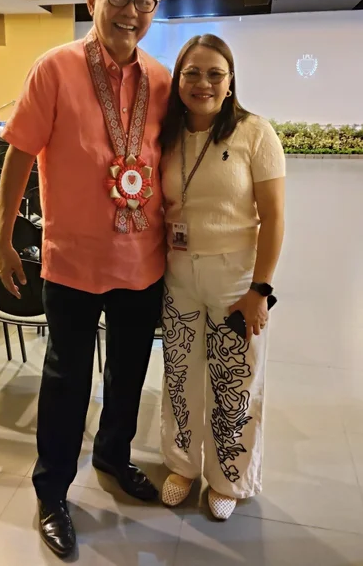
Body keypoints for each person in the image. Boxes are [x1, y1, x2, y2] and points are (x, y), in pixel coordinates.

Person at [0, 0, 171, 559]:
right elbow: (20, 153)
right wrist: (3, 237)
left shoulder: (161, 80)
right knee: (66, 379)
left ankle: (114, 456)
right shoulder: (55, 68)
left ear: (153, 10)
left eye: (143, 1)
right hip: (72, 262)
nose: (130, 11)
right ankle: (52, 492)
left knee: (128, 373)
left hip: (142, 262)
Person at [159, 34, 285, 520]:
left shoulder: (255, 133)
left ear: (231, 82)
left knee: (235, 381)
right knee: (180, 375)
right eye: (192, 73)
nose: (203, 83)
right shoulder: (167, 133)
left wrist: (260, 290)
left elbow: (274, 218)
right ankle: (182, 465)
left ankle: (228, 477)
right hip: (178, 274)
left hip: (236, 278)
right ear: (178, 80)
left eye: (215, 74)